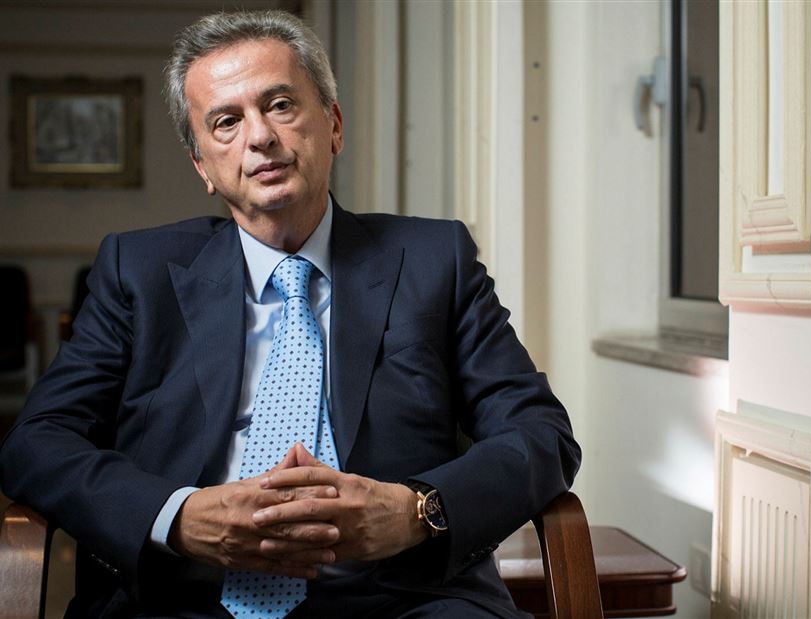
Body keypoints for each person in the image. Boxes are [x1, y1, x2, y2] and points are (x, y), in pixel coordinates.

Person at [0, 10, 580, 619]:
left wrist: (416, 511)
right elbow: (36, 442)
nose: (259, 137)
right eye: (226, 121)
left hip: (401, 599)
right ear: (202, 165)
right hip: (181, 598)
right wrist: (178, 517)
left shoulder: (436, 260)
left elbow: (541, 433)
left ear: (334, 125)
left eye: (279, 105)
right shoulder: (137, 273)